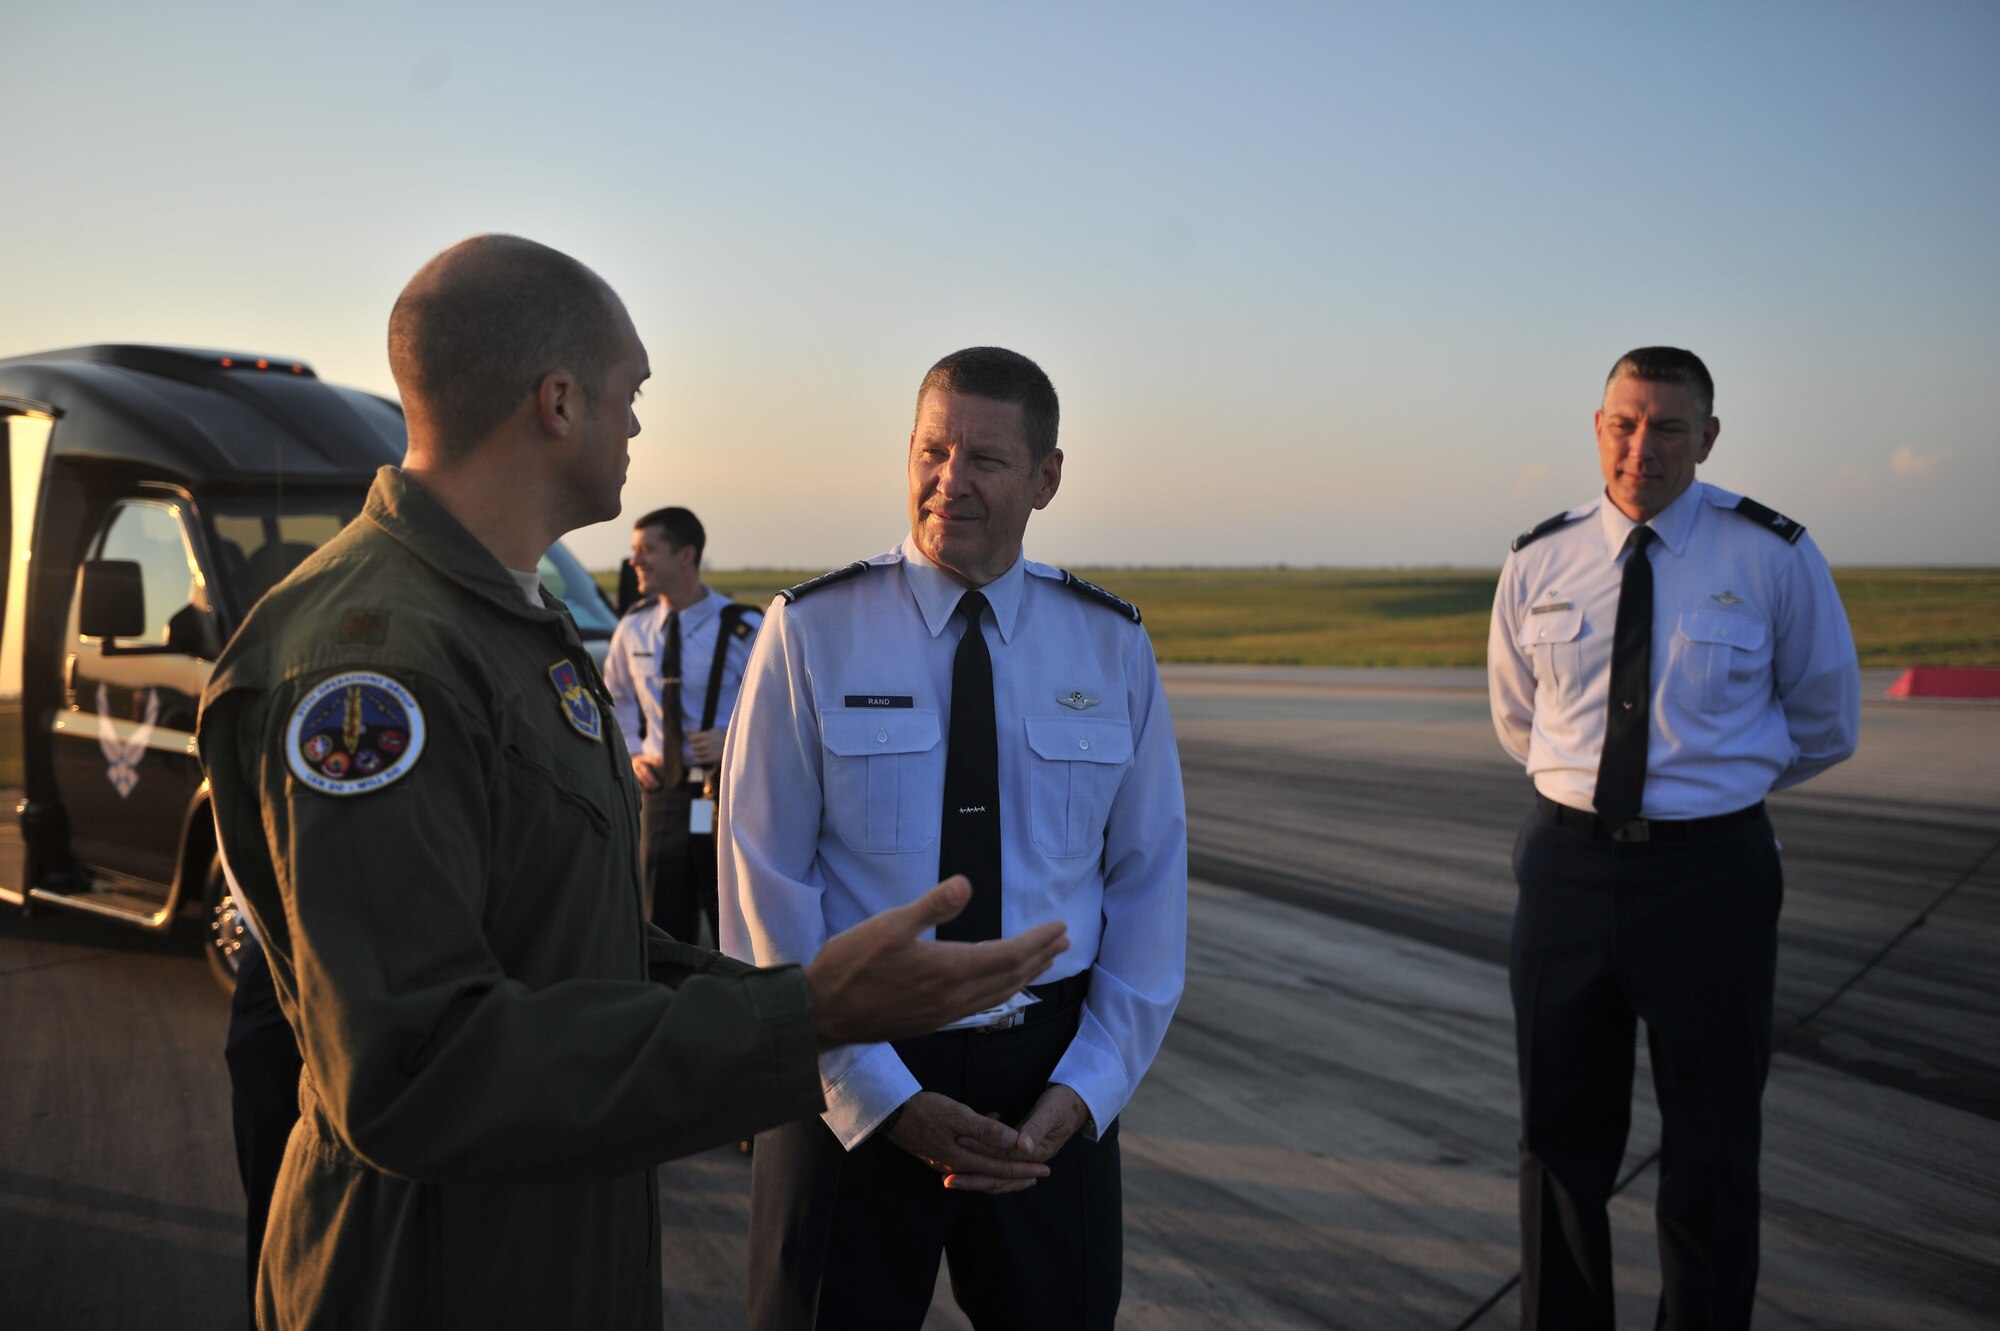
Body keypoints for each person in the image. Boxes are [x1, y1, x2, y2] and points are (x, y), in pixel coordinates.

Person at [196, 237, 1068, 1331]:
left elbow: (580, 942)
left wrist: (823, 1025)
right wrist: (806, 1013)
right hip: (434, 1274)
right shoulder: (379, 666)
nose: (638, 425)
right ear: (557, 402)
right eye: (630, 392)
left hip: (546, 1238)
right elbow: (415, 1069)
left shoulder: (506, 625)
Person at [718, 346, 1187, 1330]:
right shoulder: (812, 631)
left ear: (1045, 478)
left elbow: (1148, 885)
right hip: (851, 1069)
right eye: (932, 449)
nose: (949, 480)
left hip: (1045, 1092)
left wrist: (1088, 1087)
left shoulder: (1107, 642)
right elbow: (762, 888)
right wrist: (882, 1096)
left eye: (984, 458)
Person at [1487, 347, 1861, 1330]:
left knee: (1709, 1146)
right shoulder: (1539, 558)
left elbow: (1824, 722)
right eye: (1622, 421)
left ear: (1707, 436)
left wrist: (1709, 791)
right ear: (1597, 424)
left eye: (1665, 426)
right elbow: (1518, 722)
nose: (1639, 446)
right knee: (1556, 1143)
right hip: (1565, 869)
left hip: (1709, 880)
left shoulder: (1770, 555)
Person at [603, 506, 758, 942]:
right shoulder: (634, 629)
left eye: (647, 549)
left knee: (733, 923)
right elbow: (616, 698)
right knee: (661, 925)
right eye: (634, 550)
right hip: (662, 796)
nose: (635, 561)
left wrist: (731, 739)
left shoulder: (743, 629)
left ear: (685, 555)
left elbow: (777, 708)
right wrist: (633, 752)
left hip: (724, 795)